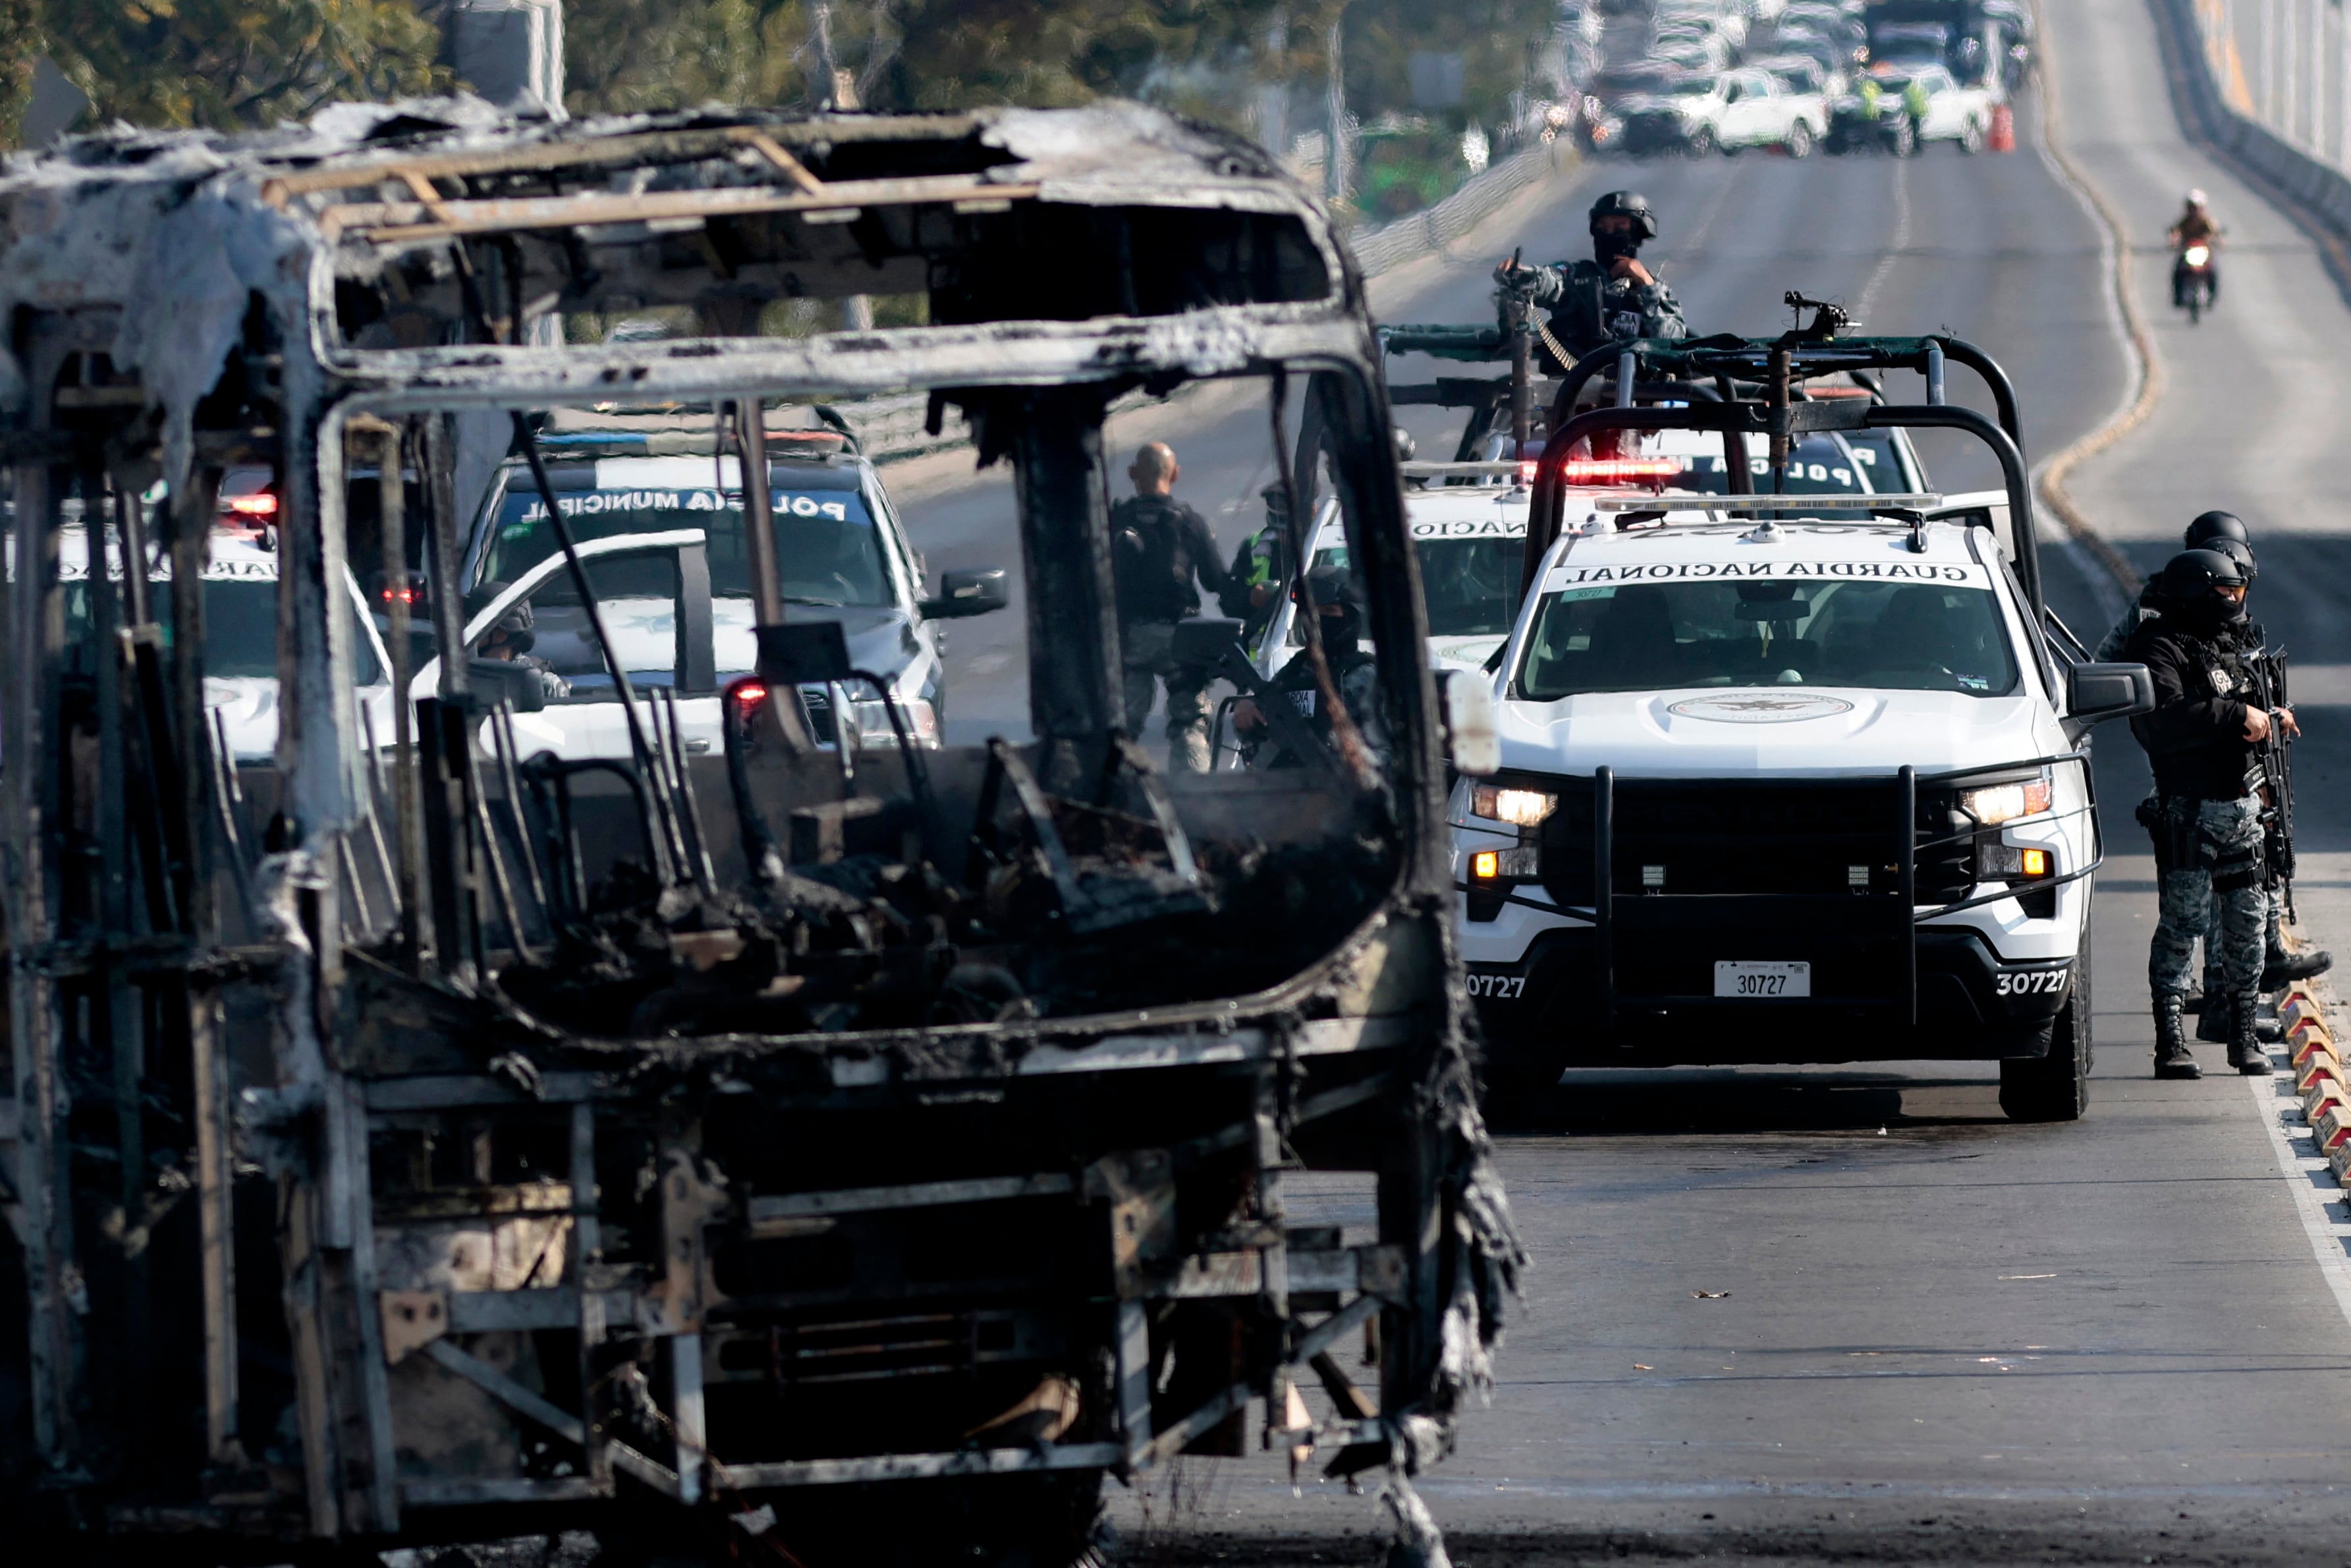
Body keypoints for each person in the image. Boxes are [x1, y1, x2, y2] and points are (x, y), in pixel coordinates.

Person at [2124, 548, 2297, 1078]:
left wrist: (2270, 717)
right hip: (2189, 813)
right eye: (2226, 592)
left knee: (2245, 926)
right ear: (2200, 592)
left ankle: (2243, 1036)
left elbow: (2244, 705)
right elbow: (2163, 717)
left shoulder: (2232, 644)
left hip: (2242, 810)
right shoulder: (2159, 646)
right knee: (2183, 923)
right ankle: (2169, 1040)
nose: (2234, 602)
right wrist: (2236, 715)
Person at [1111, 442, 1231, 772]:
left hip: (1127, 640)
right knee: (1189, 725)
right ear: (1175, 475)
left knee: (1122, 731)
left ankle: (1115, 797)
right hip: (1180, 639)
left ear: (1133, 474)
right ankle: (1197, 799)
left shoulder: (1112, 522)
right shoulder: (1190, 522)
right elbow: (1216, 581)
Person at [1493, 191, 1689, 366]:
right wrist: (1520, 275)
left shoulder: (1656, 292)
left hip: (1638, 397)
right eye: (1603, 227)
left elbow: (1669, 341)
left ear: (1638, 233)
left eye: (1620, 227)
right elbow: (1548, 281)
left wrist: (1647, 285)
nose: (1610, 234)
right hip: (1574, 395)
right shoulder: (1575, 278)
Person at [1232, 564, 1388, 771]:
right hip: (1286, 793)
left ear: (1351, 617)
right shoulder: (1295, 669)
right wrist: (1246, 710)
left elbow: (1390, 753)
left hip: (1346, 794)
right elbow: (1261, 727)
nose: (1318, 620)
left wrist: (1353, 760)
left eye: (1329, 611)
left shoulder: (1366, 677)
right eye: (1311, 612)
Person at [468, 582, 571, 701]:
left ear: (500, 636)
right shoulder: (465, 675)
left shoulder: (544, 686)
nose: (467, 631)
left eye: (475, 625)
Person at [2168, 188, 2221, 306]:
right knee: (2178, 271)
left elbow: (2215, 232)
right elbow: (2176, 232)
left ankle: (2212, 296)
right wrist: (2174, 240)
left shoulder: (2207, 221)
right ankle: (2178, 296)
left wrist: (2218, 241)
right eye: (2191, 207)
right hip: (2187, 251)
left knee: (2212, 272)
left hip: (2203, 252)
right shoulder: (2184, 221)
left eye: (2196, 207)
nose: (2194, 210)